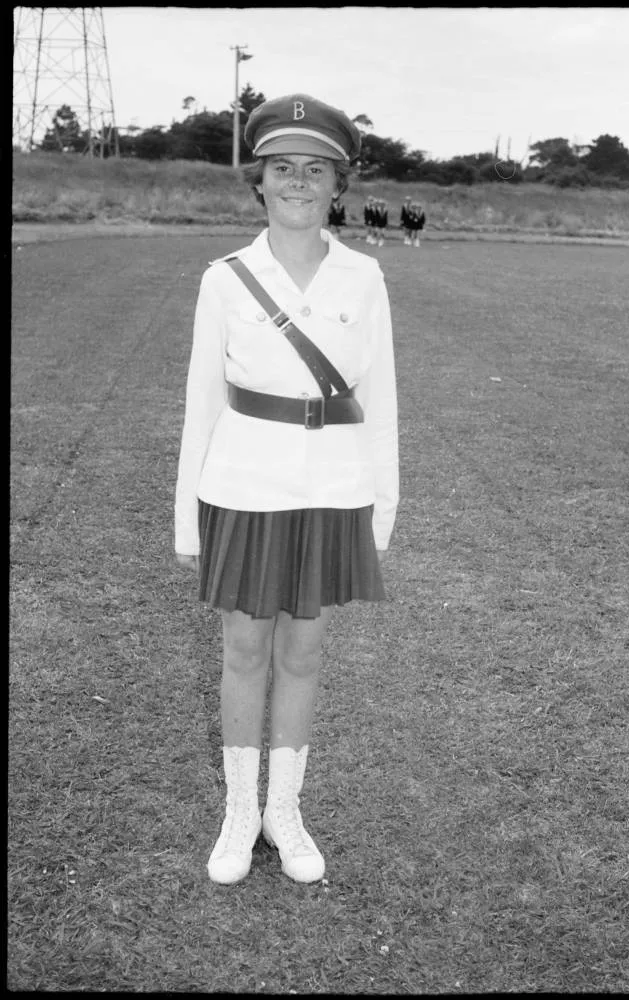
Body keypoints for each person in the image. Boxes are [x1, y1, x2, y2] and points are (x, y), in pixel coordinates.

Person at [174, 93, 399, 887]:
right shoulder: (226, 279)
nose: (298, 182)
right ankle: (239, 811)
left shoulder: (364, 277)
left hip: (334, 486)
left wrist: (381, 508)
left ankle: (284, 810)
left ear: (337, 185)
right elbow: (202, 400)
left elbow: (382, 400)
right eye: (281, 169)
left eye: (315, 170)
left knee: (303, 653)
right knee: (243, 649)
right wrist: (187, 520)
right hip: (243, 482)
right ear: (258, 182)